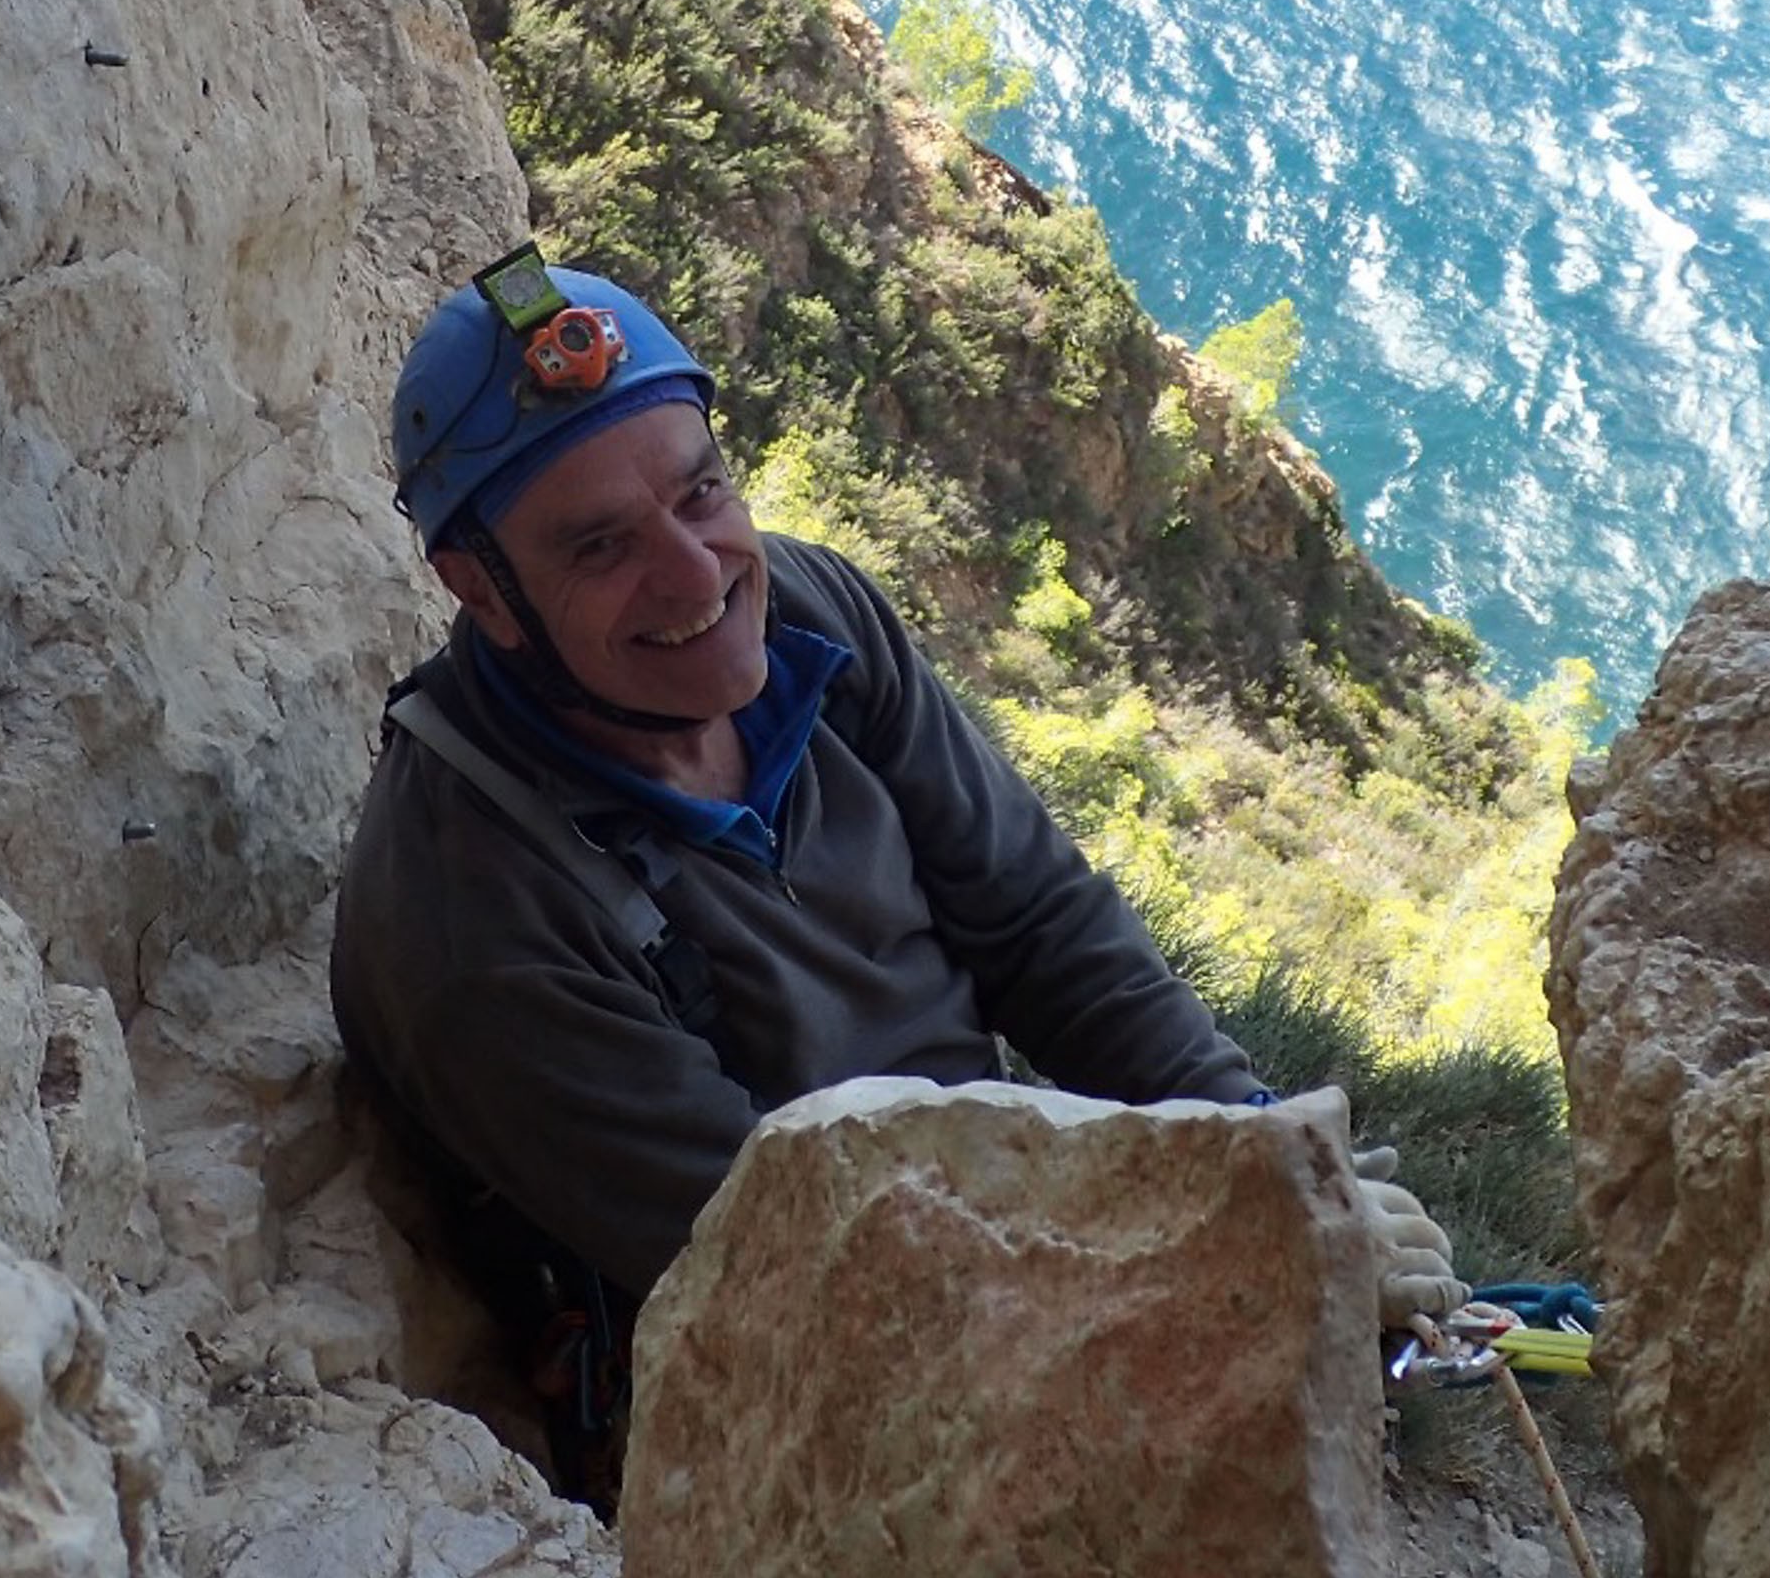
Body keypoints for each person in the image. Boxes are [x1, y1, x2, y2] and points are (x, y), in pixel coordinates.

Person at [330, 247, 1462, 1488]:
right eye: (601, 548)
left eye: (701, 493)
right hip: (784, 1364)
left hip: (987, 1208)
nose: (698, 577)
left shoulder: (813, 616)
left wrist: (1253, 1143)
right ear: (478, 594)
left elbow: (1037, 924)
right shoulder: (475, 913)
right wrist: (1227, 1247)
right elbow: (794, 1258)